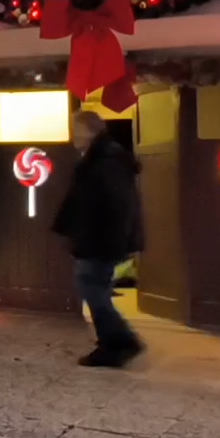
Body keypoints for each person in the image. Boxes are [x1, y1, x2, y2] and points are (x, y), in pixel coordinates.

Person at [53, 110, 146, 367]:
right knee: (94, 290)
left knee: (92, 290)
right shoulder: (101, 158)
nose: (72, 135)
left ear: (87, 129)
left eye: (75, 128)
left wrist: (112, 239)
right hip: (96, 238)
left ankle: (120, 341)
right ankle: (112, 342)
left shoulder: (106, 160)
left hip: (100, 240)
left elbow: (117, 205)